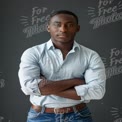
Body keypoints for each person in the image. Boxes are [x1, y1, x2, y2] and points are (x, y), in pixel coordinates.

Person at [18, 10, 106, 122]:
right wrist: (74, 81)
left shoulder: (91, 56)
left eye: (69, 25)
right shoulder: (32, 53)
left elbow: (97, 91)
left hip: (78, 116)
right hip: (40, 116)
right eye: (57, 24)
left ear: (77, 28)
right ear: (48, 27)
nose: (63, 29)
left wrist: (46, 88)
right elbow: (28, 88)